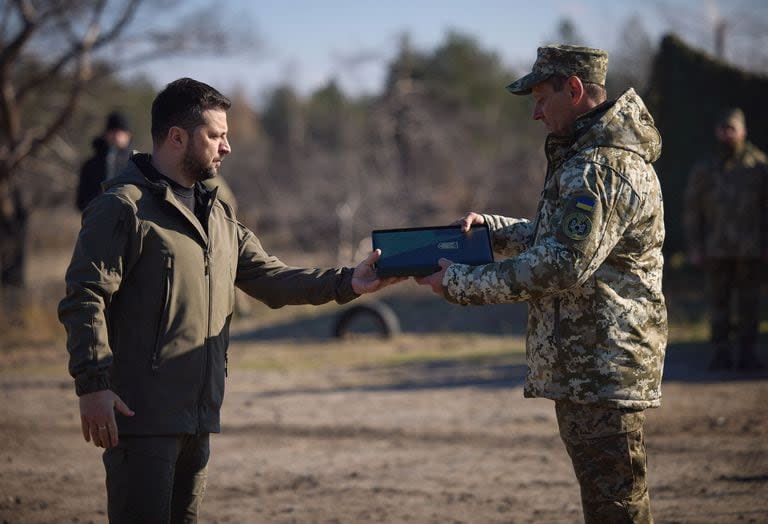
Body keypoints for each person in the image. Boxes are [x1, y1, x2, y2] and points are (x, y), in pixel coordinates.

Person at [58, 77, 400, 523]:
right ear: (177, 137)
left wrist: (348, 281)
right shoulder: (123, 207)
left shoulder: (217, 211)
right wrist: (93, 384)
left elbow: (269, 277)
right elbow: (85, 296)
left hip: (198, 414)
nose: (227, 147)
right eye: (216, 135)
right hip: (140, 416)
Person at [416, 45, 666, 523]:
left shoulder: (601, 168)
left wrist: (462, 282)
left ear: (573, 89)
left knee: (617, 508)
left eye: (540, 97)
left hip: (602, 370)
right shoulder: (588, 160)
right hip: (588, 368)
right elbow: (557, 239)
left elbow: (560, 266)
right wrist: (491, 230)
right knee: (607, 503)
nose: (534, 113)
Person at [683, 108, 767, 371]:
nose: (727, 134)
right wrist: (695, 246)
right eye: (723, 129)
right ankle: (720, 353)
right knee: (718, 304)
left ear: (743, 131)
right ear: (716, 132)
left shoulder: (759, 165)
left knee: (749, 303)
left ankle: (748, 354)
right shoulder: (705, 168)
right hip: (715, 248)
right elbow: (692, 209)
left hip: (749, 248)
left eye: (732, 128)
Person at [76, 110, 133, 212]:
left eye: (120, 132)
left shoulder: (136, 165)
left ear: (128, 135)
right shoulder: (90, 165)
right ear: (106, 134)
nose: (116, 136)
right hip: (97, 221)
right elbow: (81, 201)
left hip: (129, 223)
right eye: (113, 131)